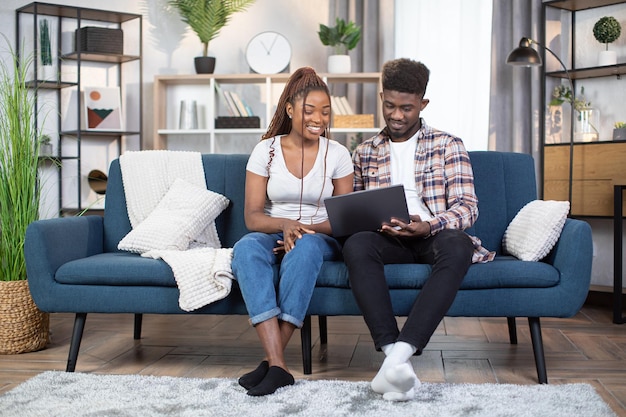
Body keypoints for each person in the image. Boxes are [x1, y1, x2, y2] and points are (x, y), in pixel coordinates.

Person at [342, 58, 495, 402]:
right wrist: (375, 222)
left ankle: (397, 358)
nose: (396, 115)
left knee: (459, 245)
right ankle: (391, 356)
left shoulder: (448, 144)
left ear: (423, 104)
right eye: (390, 106)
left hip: (435, 234)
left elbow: (468, 207)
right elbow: (354, 208)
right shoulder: (364, 152)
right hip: (387, 238)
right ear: (382, 98)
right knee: (356, 245)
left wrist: (428, 224)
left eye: (407, 108)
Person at [231, 67, 354, 396]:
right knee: (245, 249)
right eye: (309, 110)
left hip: (321, 236)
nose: (319, 118)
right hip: (274, 230)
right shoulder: (266, 151)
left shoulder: (339, 155)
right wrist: (285, 225)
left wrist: (301, 231)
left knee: (306, 249)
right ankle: (278, 366)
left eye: (325, 112)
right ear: (290, 110)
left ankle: (273, 362)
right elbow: (253, 216)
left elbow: (345, 219)